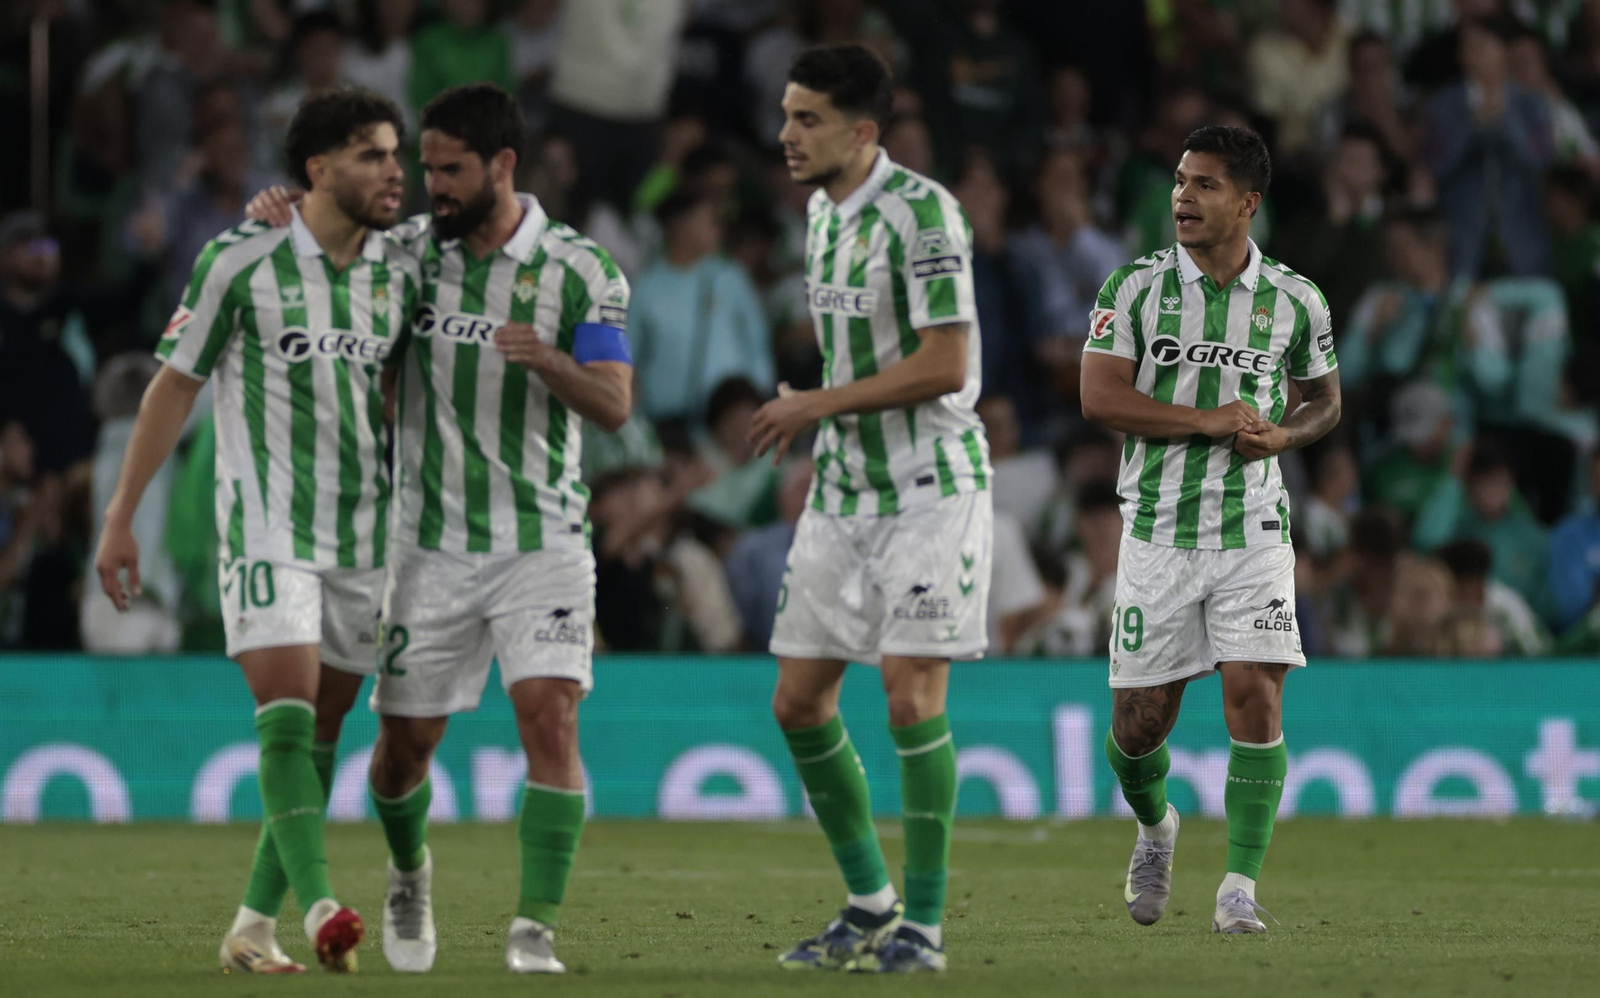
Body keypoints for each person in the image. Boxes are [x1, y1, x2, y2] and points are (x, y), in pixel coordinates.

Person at [250, 82, 631, 974]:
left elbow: (614, 403)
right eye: (426, 169)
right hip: (425, 543)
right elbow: (323, 255)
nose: (433, 187)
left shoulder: (583, 270)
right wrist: (278, 215)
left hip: (543, 538)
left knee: (551, 717)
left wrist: (548, 359)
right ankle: (409, 871)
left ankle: (534, 929)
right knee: (401, 755)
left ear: (504, 164)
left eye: (451, 170)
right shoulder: (408, 254)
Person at [94, 87, 418, 975]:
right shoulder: (239, 258)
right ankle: (320, 907)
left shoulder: (404, 268)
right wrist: (122, 517)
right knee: (285, 712)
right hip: (267, 526)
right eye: (372, 154)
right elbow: (173, 386)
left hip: (365, 535)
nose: (394, 170)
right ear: (318, 168)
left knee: (324, 726)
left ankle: (251, 926)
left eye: (396, 153)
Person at [748, 44, 992, 974]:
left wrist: (815, 403)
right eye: (786, 115)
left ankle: (923, 928)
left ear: (862, 132)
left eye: (806, 118)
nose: (786, 134)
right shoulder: (819, 214)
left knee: (907, 693)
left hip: (929, 487)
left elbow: (946, 363)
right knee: (798, 702)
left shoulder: (924, 214)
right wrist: (823, 412)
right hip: (842, 491)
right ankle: (868, 904)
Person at [1079, 125, 1341, 934]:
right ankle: (1156, 827)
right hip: (1158, 528)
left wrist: (1284, 436)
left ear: (1247, 202)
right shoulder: (1133, 287)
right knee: (1139, 726)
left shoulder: (1296, 299)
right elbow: (1099, 397)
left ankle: (1238, 888)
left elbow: (1325, 400)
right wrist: (1205, 419)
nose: (1182, 197)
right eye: (1180, 181)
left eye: (1204, 184)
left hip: (1253, 526)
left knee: (1255, 693)